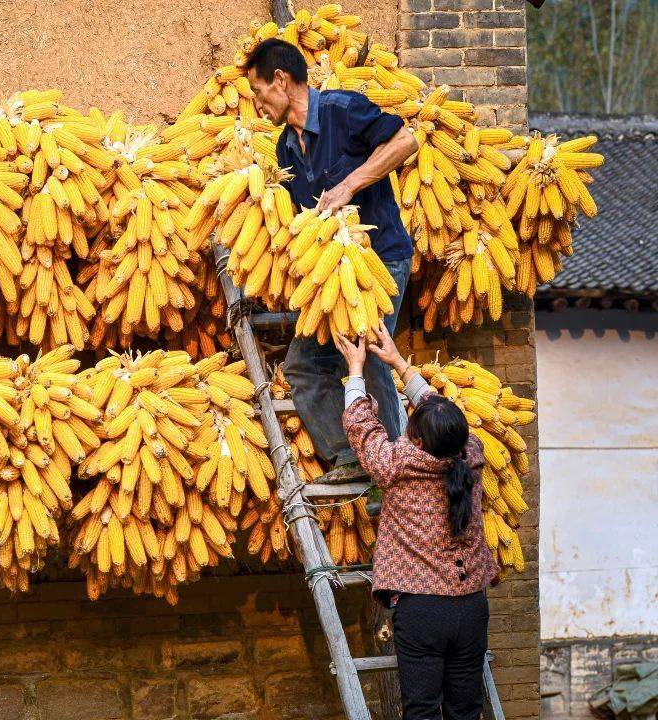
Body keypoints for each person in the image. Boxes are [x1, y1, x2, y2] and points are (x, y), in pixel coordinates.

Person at [245, 38, 418, 482]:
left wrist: (348, 186)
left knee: (371, 353)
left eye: (259, 92)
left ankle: (393, 472)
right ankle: (351, 457)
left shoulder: (343, 110)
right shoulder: (285, 149)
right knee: (304, 365)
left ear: (281, 81)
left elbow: (406, 141)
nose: (258, 105)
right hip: (335, 273)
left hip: (379, 260)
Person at [335, 322, 499, 720]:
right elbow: (442, 413)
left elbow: (361, 426)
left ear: (420, 441)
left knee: (421, 711)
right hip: (472, 607)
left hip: (423, 611)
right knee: (466, 711)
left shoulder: (396, 464)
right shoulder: (471, 454)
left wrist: (356, 370)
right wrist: (396, 362)